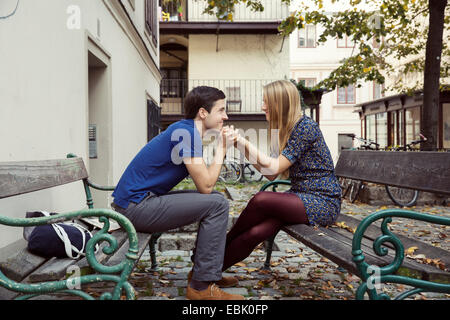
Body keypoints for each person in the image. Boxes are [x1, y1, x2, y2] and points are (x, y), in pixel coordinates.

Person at [111, 86, 244, 300]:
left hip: (139, 203)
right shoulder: (186, 133)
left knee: (217, 199)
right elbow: (205, 185)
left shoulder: (186, 131)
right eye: (221, 110)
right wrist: (222, 148)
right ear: (203, 112)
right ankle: (201, 287)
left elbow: (207, 185)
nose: (225, 116)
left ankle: (203, 273)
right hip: (136, 208)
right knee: (217, 204)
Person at [222, 80, 341, 271]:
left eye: (266, 101)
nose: (262, 106)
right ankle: (205, 274)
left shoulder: (305, 127)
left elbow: (275, 166)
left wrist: (244, 140)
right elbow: (270, 175)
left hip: (323, 202)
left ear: (281, 103)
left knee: (261, 199)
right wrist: (241, 146)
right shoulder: (283, 131)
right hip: (300, 198)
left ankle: (217, 248)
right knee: (256, 232)